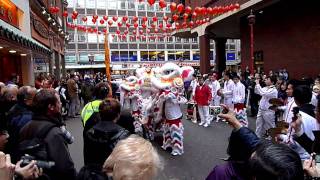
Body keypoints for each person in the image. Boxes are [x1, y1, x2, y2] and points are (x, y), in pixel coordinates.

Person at [206, 105, 304, 180]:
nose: (251, 152)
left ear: (255, 177)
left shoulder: (223, 174)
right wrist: (236, 123)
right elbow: (256, 143)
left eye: (252, 159)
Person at [19, 89, 77, 180]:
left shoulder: (25, 128)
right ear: (51, 106)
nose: (61, 104)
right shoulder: (54, 133)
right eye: (58, 101)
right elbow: (64, 167)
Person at [83, 98, 130, 167]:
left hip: (95, 172)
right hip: (114, 172)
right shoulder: (124, 134)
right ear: (118, 115)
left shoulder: (90, 132)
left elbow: (87, 156)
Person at [5, 86, 37, 160]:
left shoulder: (14, 108)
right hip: (22, 155)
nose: (38, 99)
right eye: (35, 97)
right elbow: (28, 142)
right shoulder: (27, 117)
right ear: (26, 100)